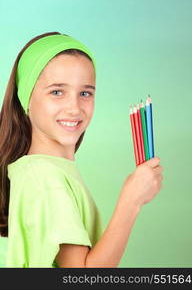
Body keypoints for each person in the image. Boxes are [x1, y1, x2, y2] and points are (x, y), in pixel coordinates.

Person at [0, 31, 163, 268]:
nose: (74, 108)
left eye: (85, 93)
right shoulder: (45, 177)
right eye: (57, 92)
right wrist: (131, 201)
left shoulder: (47, 170)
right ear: (26, 99)